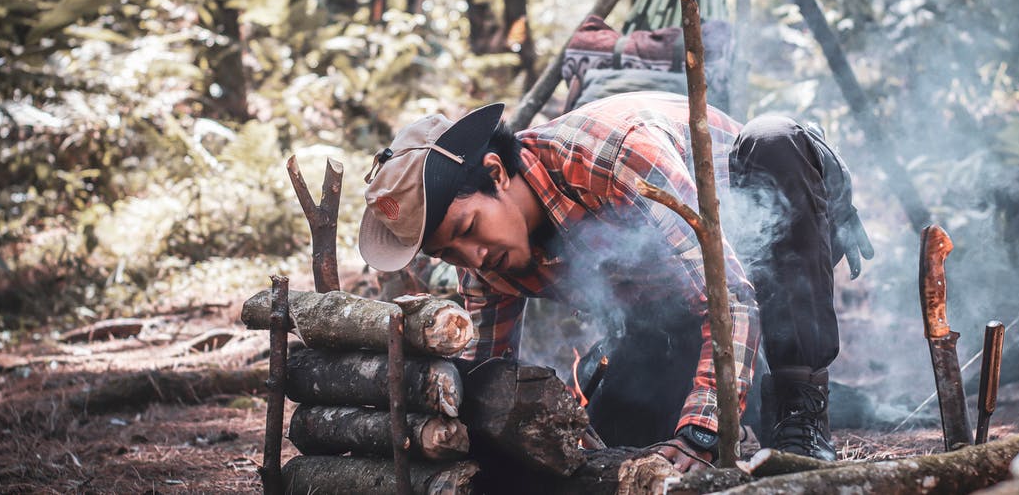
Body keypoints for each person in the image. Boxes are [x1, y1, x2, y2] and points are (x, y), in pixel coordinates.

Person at [357, 92, 871, 471]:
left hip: (762, 236)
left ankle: (802, 408)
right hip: (671, 304)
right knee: (622, 437)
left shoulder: (610, 157)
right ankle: (777, 398)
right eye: (448, 252)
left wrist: (699, 433)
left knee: (774, 138)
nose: (473, 257)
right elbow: (486, 371)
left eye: (468, 230)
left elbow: (731, 297)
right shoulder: (482, 258)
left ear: (495, 173)